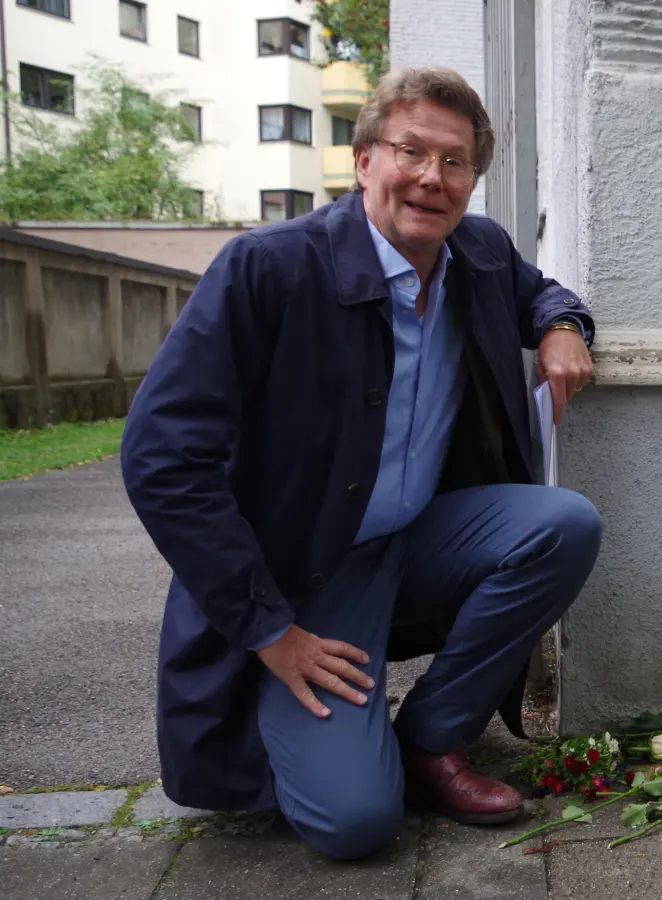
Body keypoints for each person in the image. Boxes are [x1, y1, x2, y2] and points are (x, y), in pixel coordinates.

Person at [121, 67, 603, 860]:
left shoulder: (475, 252)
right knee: (355, 826)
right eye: (410, 151)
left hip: (416, 537)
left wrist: (561, 325)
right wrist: (271, 631)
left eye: (455, 162)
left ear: (473, 180)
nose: (430, 178)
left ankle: (431, 737)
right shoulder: (269, 269)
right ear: (364, 159)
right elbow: (161, 457)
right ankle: (335, 734)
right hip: (305, 579)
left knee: (562, 526)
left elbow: (539, 291)